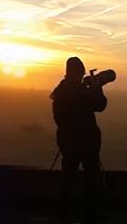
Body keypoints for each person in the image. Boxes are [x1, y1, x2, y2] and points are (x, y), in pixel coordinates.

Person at [51, 56, 107, 223]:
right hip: (86, 140)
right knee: (91, 177)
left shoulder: (60, 89)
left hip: (67, 139)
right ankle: (89, 214)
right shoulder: (80, 90)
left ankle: (62, 213)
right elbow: (101, 105)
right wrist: (97, 87)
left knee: (68, 176)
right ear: (79, 72)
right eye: (82, 72)